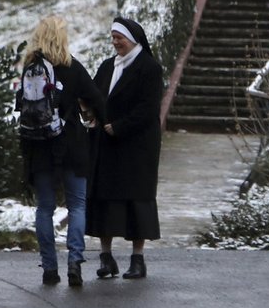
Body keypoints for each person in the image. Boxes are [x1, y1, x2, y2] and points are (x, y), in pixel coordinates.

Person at [19, 16, 105, 287]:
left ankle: (49, 268)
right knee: (77, 204)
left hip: (39, 146)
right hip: (71, 145)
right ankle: (75, 264)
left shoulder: (30, 69)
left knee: (44, 208)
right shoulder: (72, 67)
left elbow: (22, 108)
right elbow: (98, 99)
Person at [87, 17, 163, 279]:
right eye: (113, 37)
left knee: (136, 202)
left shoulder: (149, 68)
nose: (115, 42)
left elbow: (149, 109)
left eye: (119, 37)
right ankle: (106, 258)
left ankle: (137, 259)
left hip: (137, 147)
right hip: (108, 146)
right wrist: (92, 115)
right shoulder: (108, 66)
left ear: (133, 39)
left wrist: (119, 126)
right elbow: (95, 95)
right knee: (105, 201)